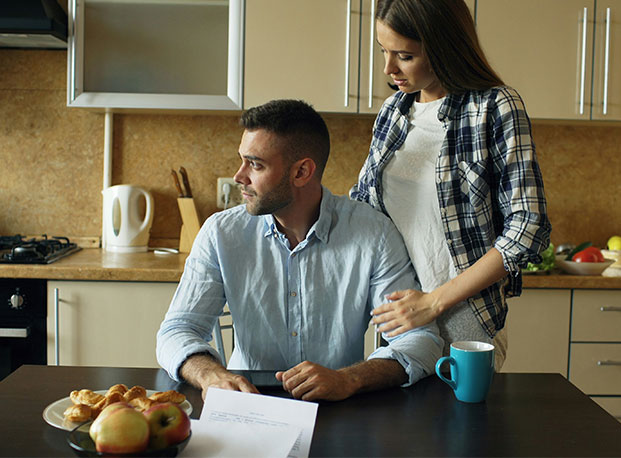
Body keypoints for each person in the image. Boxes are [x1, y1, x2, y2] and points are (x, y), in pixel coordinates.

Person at [157, 99, 443, 402]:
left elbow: (420, 340)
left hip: (337, 406)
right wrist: (210, 375)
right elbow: (177, 330)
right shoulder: (220, 233)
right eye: (242, 161)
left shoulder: (374, 234)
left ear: (302, 171)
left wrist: (350, 378)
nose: (239, 176)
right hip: (247, 403)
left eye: (255, 164)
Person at [350, 0, 551, 371]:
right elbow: (364, 207)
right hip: (400, 315)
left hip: (464, 314)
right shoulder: (393, 111)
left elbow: (528, 225)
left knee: (460, 431)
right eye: (384, 51)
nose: (388, 69)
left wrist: (434, 301)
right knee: (396, 429)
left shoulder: (495, 106)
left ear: (443, 47)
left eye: (404, 56)